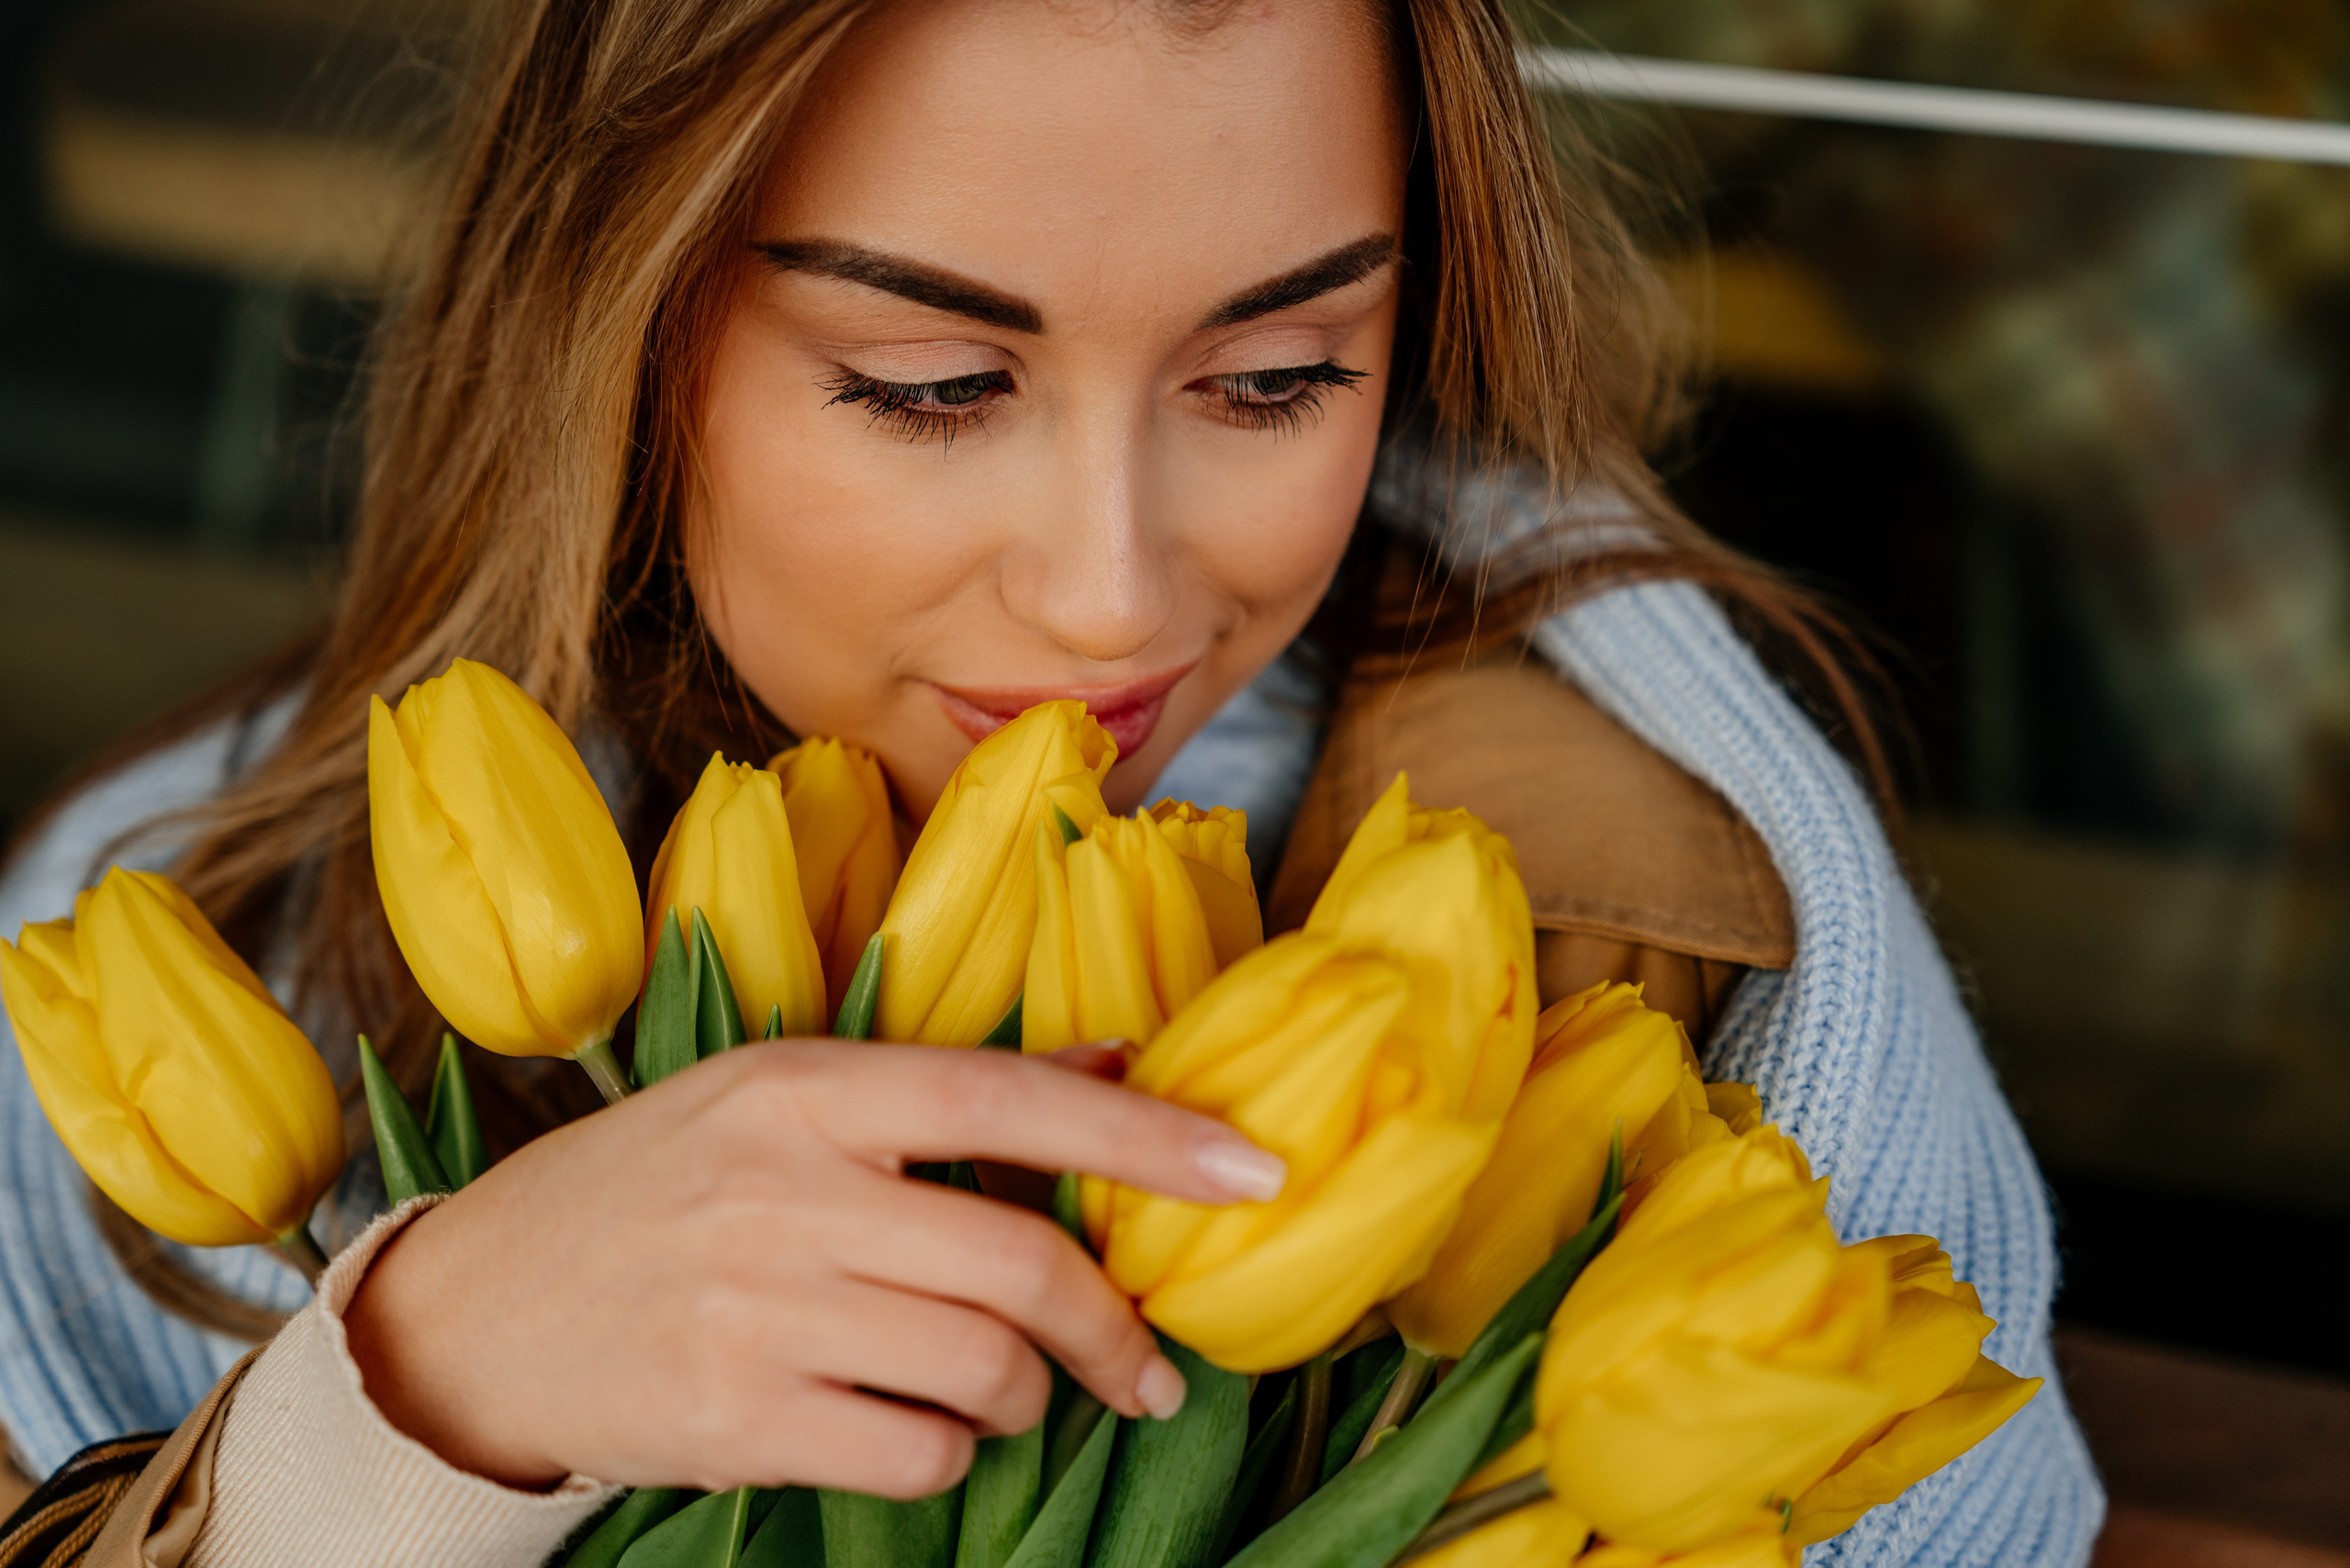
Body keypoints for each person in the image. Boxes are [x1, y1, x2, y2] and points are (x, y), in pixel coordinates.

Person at [0, 0, 2102, 1563]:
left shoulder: (1668, 947)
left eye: (1275, 376)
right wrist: (410, 1406)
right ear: (613, 318)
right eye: (930, 388)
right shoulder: (204, 928)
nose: (1112, 598)